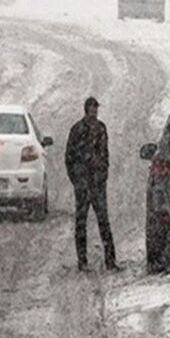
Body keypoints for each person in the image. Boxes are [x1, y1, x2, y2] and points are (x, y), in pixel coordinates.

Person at [65, 97, 121, 272]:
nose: (94, 112)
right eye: (92, 109)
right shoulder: (77, 130)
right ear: (86, 110)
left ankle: (110, 261)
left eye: (96, 109)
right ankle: (82, 262)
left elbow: (105, 155)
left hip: (97, 183)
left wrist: (103, 174)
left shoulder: (101, 128)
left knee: (103, 221)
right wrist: (76, 179)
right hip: (83, 183)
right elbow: (69, 157)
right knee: (81, 222)